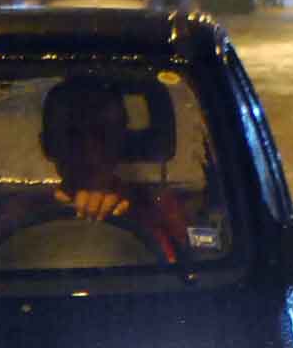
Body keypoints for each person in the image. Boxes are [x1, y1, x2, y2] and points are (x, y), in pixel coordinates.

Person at [31, 73, 195, 264]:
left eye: (103, 134)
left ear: (122, 140)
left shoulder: (157, 210)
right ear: (49, 145)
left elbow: (188, 272)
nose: (89, 150)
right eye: (72, 136)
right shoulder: (24, 213)